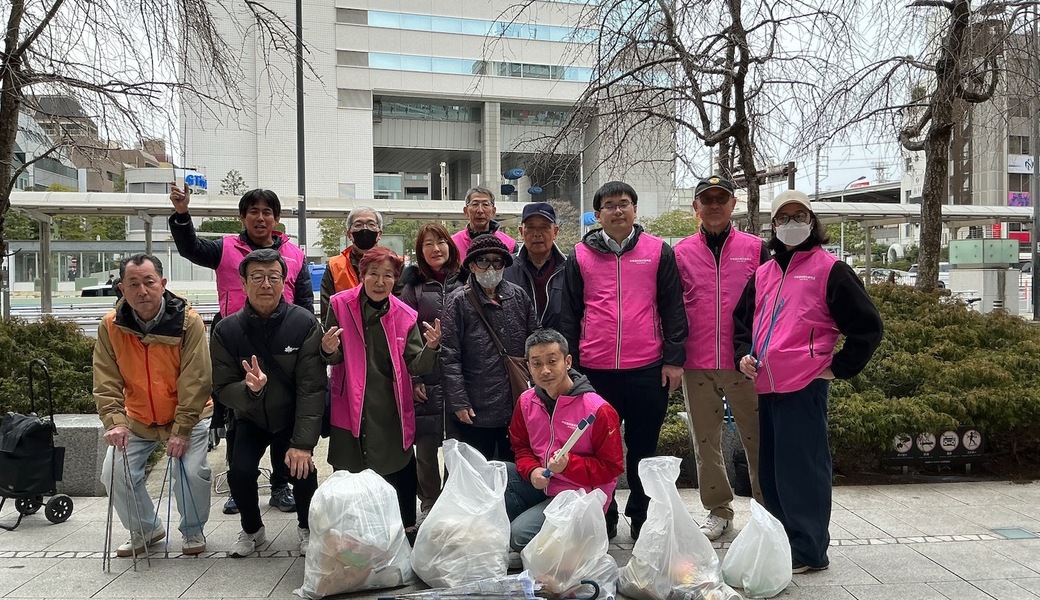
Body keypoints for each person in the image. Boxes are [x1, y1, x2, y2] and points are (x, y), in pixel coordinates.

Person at [734, 190, 882, 574]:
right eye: (783, 218)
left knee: (802, 470)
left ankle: (810, 549)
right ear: (774, 226)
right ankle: (786, 541)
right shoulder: (764, 273)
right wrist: (743, 356)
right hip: (766, 385)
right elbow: (741, 324)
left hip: (804, 386)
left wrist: (840, 366)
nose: (791, 223)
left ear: (813, 222)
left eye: (800, 215)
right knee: (773, 471)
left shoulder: (830, 269)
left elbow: (868, 326)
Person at [560, 180, 688, 541]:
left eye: (625, 204)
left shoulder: (658, 252)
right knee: (599, 450)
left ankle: (642, 518)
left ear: (635, 210)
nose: (618, 210)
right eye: (610, 206)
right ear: (598, 215)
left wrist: (673, 360)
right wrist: (572, 365)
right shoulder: (580, 255)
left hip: (648, 368)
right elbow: (568, 313)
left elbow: (673, 309)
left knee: (644, 449)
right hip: (596, 371)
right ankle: (605, 514)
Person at [168, 183, 307, 515]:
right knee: (236, 414)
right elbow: (189, 248)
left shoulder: (295, 254)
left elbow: (302, 301)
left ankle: (279, 485)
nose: (261, 218)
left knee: (283, 414)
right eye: (254, 212)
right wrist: (182, 214)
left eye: (267, 212)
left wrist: (307, 338)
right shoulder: (225, 248)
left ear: (277, 218)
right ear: (242, 217)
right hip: (236, 341)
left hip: (282, 342)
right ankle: (239, 484)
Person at [94, 253, 213, 557]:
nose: (142, 290)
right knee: (114, 471)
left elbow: (196, 378)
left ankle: (193, 528)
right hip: (138, 418)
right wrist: (114, 421)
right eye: (133, 284)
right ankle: (146, 528)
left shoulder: (189, 322)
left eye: (149, 282)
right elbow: (106, 379)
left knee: (190, 470)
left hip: (187, 415)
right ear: (122, 288)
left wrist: (182, 429)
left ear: (162, 284)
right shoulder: (111, 326)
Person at [209, 249, 326, 557]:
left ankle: (307, 527)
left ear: (283, 282)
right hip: (250, 416)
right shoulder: (226, 329)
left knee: (303, 469)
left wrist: (302, 443)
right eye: (257, 277)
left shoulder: (303, 323)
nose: (266, 284)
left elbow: (312, 387)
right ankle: (252, 529)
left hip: (290, 415)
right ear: (243, 283)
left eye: (273, 277)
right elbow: (221, 388)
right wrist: (250, 390)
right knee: (241, 472)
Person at [322, 246, 443, 541]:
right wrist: (327, 349)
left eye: (388, 276)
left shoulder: (405, 314)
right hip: (351, 400)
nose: (380, 281)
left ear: (396, 280)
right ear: (362, 275)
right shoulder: (340, 305)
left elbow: (416, 362)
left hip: (391, 406)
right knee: (349, 471)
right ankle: (348, 534)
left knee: (399, 465)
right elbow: (331, 356)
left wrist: (432, 346)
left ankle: (404, 528)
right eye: (373, 274)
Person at [673, 175, 769, 541]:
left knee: (756, 437)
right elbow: (671, 307)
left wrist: (758, 351)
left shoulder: (756, 248)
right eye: (706, 199)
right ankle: (718, 510)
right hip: (696, 363)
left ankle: (765, 508)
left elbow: (769, 304)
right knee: (705, 442)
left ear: (732, 205)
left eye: (721, 199)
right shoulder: (679, 252)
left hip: (743, 364)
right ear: (696, 207)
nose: (714, 205)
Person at [505, 328, 623, 552]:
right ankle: (539, 528)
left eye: (552, 361)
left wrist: (570, 465)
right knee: (498, 472)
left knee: (519, 536)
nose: (545, 370)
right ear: (528, 366)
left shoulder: (598, 409)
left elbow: (612, 468)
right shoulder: (526, 401)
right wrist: (532, 471)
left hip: (579, 496)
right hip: (545, 485)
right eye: (537, 363)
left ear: (567, 362)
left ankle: (574, 537)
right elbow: (520, 447)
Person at [441, 234, 536, 462]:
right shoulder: (458, 301)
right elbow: (449, 355)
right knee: (478, 472)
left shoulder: (518, 295)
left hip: (515, 400)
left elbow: (535, 339)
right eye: (483, 261)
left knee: (514, 468)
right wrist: (459, 401)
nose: (490, 267)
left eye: (497, 261)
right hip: (475, 406)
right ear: (472, 265)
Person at [398, 223, 466, 515]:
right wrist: (413, 377)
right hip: (425, 373)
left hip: (458, 375)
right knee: (425, 447)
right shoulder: (412, 286)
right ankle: (428, 501)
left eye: (440, 242)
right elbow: (403, 333)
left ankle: (451, 501)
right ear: (420, 251)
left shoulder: (465, 281)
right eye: (428, 244)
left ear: (450, 245)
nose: (435, 248)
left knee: (457, 445)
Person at [504, 202, 566, 331]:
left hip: (559, 347)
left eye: (544, 227)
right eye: (530, 228)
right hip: (519, 347)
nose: (537, 234)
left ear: (555, 231)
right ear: (521, 231)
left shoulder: (570, 267)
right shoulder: (506, 267)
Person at [320, 207, 384, 322]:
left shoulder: (395, 264)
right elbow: (327, 310)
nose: (365, 228)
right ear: (349, 234)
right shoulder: (334, 266)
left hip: (385, 334)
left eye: (371, 224)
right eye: (358, 224)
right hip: (346, 334)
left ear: (379, 233)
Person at [451, 186, 518, 256]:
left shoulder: (510, 245)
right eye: (475, 204)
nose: (480, 210)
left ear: (493, 211)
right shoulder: (453, 244)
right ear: (466, 211)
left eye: (485, 204)